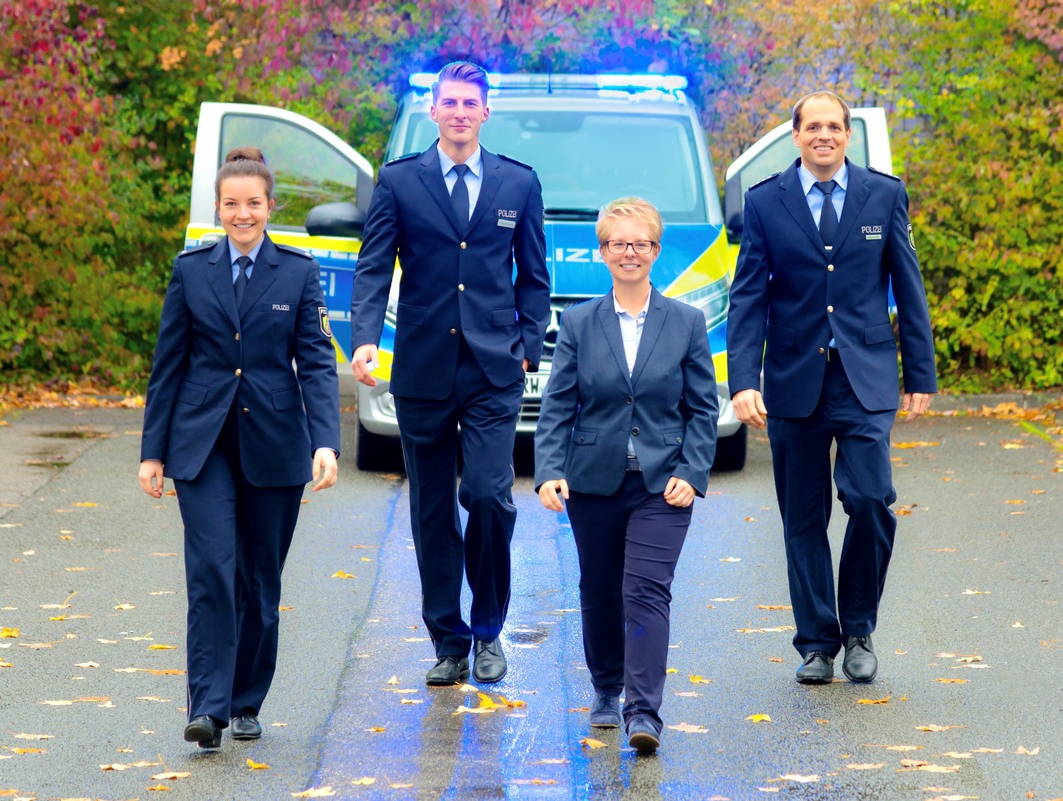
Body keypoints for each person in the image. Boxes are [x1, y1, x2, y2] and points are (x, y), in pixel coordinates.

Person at [350, 61, 550, 686]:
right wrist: (362, 341)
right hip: (422, 369)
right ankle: (449, 639)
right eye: (450, 102)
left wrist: (527, 344)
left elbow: (535, 276)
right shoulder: (399, 182)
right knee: (432, 508)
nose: (460, 112)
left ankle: (489, 629)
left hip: (494, 369)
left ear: (486, 112)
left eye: (471, 102)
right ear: (433, 111)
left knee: (489, 496)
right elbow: (373, 267)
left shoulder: (518, 184)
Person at [726, 91, 937, 685]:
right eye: (812, 126)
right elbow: (747, 299)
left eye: (834, 126)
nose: (824, 135)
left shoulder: (884, 194)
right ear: (796, 135)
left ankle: (859, 629)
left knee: (871, 501)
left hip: (865, 377)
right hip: (794, 382)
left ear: (848, 135)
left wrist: (919, 373)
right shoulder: (766, 202)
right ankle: (817, 642)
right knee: (803, 517)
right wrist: (744, 381)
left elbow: (908, 286)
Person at [138, 147, 340, 748]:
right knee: (210, 572)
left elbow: (317, 365)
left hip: (276, 445)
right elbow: (167, 365)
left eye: (254, 203)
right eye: (232, 204)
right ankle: (208, 706)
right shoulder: (191, 268)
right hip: (201, 444)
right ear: (218, 208)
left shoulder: (299, 273)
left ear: (271, 206)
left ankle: (248, 698)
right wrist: (153, 452)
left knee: (258, 580)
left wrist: (325, 442)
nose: (243, 214)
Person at [535, 197, 718, 753]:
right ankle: (606, 689)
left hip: (663, 484)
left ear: (657, 251)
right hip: (594, 481)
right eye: (618, 243)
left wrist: (693, 471)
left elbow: (704, 409)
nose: (629, 252)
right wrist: (548, 470)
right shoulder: (579, 322)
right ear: (603, 253)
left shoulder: (686, 321)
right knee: (599, 590)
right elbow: (558, 404)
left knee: (645, 591)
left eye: (640, 243)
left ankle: (644, 713)